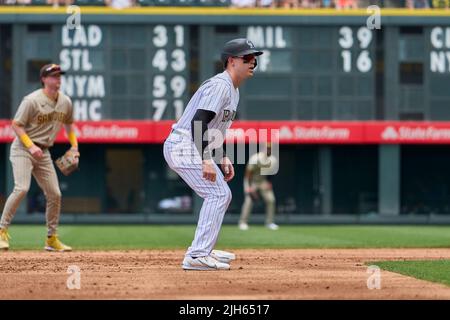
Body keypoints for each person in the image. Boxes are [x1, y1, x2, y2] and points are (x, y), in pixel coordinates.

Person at [163, 38, 263, 270]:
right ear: (231, 61)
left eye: (254, 59)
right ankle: (197, 254)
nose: (252, 62)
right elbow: (199, 122)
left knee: (220, 194)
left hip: (191, 145)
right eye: (247, 58)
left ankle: (203, 248)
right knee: (219, 194)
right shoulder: (220, 85)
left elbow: (212, 129)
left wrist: (222, 156)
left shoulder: (233, 90)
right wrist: (206, 159)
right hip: (183, 145)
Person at [0, 63, 79, 252]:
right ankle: (1, 230)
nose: (57, 79)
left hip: (43, 152)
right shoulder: (32, 100)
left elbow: (69, 126)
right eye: (53, 76)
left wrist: (75, 146)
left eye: (59, 76)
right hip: (23, 149)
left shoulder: (65, 102)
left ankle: (51, 239)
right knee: (22, 188)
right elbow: (16, 125)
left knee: (55, 194)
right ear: (44, 79)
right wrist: (30, 145)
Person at [238, 142, 279, 231]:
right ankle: (243, 222)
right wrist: (249, 188)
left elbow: (273, 174)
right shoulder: (256, 158)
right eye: (267, 148)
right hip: (252, 181)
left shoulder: (273, 160)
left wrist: (268, 182)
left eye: (270, 148)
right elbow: (248, 173)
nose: (269, 150)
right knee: (249, 201)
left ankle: (269, 222)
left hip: (263, 181)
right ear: (263, 149)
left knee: (271, 200)